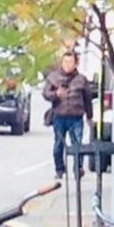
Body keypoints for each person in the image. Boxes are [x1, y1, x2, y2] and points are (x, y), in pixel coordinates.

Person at [41, 50, 94, 178]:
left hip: (76, 117)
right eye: (65, 62)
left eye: (70, 62)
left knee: (78, 144)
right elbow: (45, 94)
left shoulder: (82, 80)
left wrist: (89, 116)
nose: (67, 65)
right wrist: (56, 95)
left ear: (76, 64)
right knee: (58, 144)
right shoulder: (53, 78)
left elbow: (88, 99)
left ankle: (78, 169)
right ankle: (59, 169)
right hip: (59, 116)